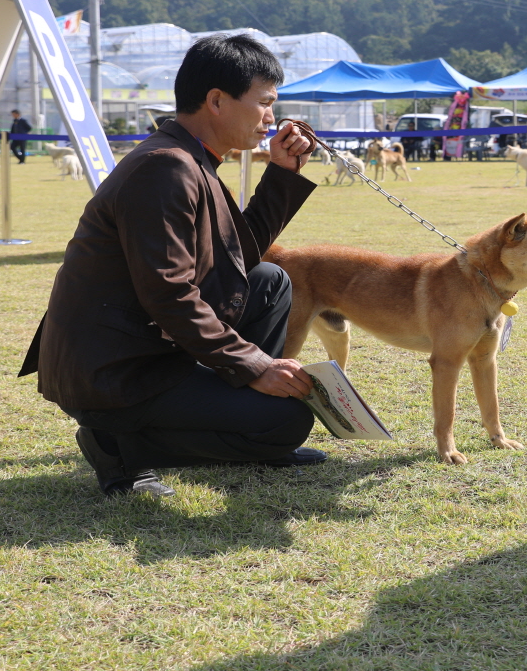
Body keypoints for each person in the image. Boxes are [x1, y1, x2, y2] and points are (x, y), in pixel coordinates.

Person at [18, 34, 321, 497]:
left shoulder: (188, 157)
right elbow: (168, 293)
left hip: (143, 351)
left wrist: (282, 172)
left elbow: (238, 258)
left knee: (267, 281)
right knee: (286, 421)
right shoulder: (166, 167)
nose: (271, 119)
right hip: (117, 373)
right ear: (216, 100)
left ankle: (232, 419)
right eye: (263, 103)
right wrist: (256, 365)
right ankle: (116, 444)